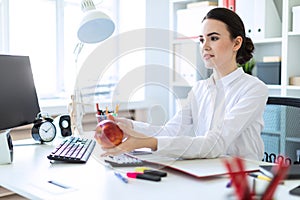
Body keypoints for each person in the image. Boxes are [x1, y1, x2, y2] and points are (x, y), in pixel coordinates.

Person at [95, 7, 268, 161]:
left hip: (244, 177)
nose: (204, 46)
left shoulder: (254, 89)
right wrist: (130, 126)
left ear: (236, 43)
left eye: (213, 38)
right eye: (201, 40)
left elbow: (215, 143)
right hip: (209, 170)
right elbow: (169, 132)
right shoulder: (200, 89)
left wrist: (144, 142)